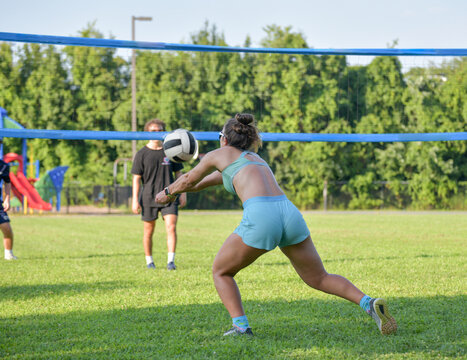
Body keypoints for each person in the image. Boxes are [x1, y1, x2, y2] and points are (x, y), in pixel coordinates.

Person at [156, 113, 397, 336]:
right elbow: (198, 183)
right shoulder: (254, 158)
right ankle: (368, 303)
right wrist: (176, 192)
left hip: (262, 215)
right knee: (318, 277)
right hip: (289, 213)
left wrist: (166, 192)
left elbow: (188, 178)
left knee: (221, 271)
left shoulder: (218, 154)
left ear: (225, 139)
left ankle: (240, 327)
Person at [132, 119, 186, 270]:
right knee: (148, 231)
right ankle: (149, 261)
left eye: (159, 130)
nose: (156, 133)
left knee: (171, 227)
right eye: (153, 131)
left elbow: (179, 174)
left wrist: (183, 193)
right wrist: (135, 200)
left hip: (170, 196)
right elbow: (136, 179)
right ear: (147, 133)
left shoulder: (171, 151)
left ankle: (171, 262)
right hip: (149, 197)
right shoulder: (141, 154)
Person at [0, 155, 15, 260]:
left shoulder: (4, 166)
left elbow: (7, 182)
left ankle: (8, 254)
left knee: (7, 228)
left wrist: (7, 199)